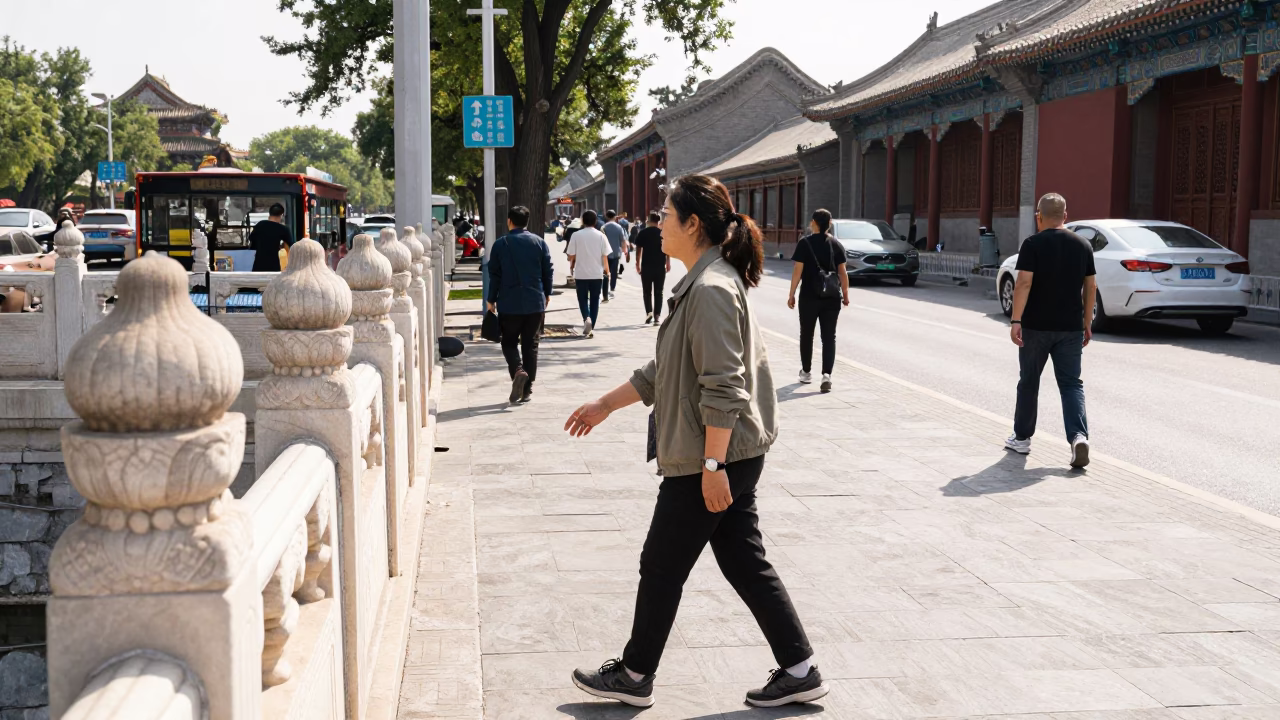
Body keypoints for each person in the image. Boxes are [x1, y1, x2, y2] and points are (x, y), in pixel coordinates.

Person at [564, 174, 826, 710]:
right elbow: (666, 369)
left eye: (666, 214)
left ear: (692, 224)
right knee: (744, 561)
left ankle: (635, 674)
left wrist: (712, 465)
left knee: (661, 564)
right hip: (728, 452)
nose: (658, 222)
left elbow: (724, 386)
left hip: (712, 455)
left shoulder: (710, 290)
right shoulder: (705, 282)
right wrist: (605, 405)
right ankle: (800, 670)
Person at [1006, 192, 1095, 468]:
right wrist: (1087, 322)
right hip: (1070, 328)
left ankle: (1022, 438)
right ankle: (1078, 437)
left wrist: (1016, 320)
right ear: (1065, 216)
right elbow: (1090, 286)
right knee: (1071, 384)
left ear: (1039, 217)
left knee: (1029, 380)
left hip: (1036, 327)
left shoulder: (1032, 244)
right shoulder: (1083, 245)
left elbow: (1023, 283)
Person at [487, 205, 553, 405]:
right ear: (527, 222)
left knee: (508, 342)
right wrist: (547, 293)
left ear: (509, 221)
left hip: (509, 302)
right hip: (535, 302)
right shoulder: (539, 243)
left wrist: (491, 299)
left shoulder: (501, 244)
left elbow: (495, 275)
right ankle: (527, 389)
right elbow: (547, 270)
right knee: (531, 345)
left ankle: (517, 370)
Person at [786, 209, 850, 393]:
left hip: (809, 296)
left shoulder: (804, 243)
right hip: (832, 297)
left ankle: (806, 372)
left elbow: (797, 271)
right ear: (829, 224)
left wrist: (791, 294)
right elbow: (843, 273)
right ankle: (827, 375)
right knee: (829, 337)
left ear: (813, 222)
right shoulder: (836, 244)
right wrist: (845, 295)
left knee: (807, 334)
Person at [566, 210, 610, 338]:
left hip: (581, 274)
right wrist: (607, 271)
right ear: (595, 221)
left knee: (582, 299)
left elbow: (571, 255)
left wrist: (572, 263)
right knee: (595, 300)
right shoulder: (601, 236)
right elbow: (605, 256)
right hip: (596, 274)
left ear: (583, 221)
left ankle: (586, 318)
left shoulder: (576, 235)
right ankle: (591, 327)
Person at [633, 210, 669, 325]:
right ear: (658, 221)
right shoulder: (662, 233)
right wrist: (668, 262)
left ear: (648, 220)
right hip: (660, 266)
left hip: (646, 266)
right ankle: (657, 316)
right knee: (659, 291)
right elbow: (667, 249)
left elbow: (638, 250)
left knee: (647, 291)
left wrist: (637, 263)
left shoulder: (643, 233)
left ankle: (649, 312)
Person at [249, 203, 294, 272]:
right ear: (281, 215)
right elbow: (292, 246)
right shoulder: (283, 229)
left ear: (269, 214)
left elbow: (251, 240)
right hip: (273, 265)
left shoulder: (260, 225)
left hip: (258, 265)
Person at [600, 210, 629, 302]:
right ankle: (612, 287)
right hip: (616, 252)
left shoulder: (603, 227)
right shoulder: (619, 227)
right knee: (614, 271)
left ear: (607, 216)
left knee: (605, 271)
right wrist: (625, 251)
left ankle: (605, 288)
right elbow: (623, 240)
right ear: (614, 216)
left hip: (605, 253)